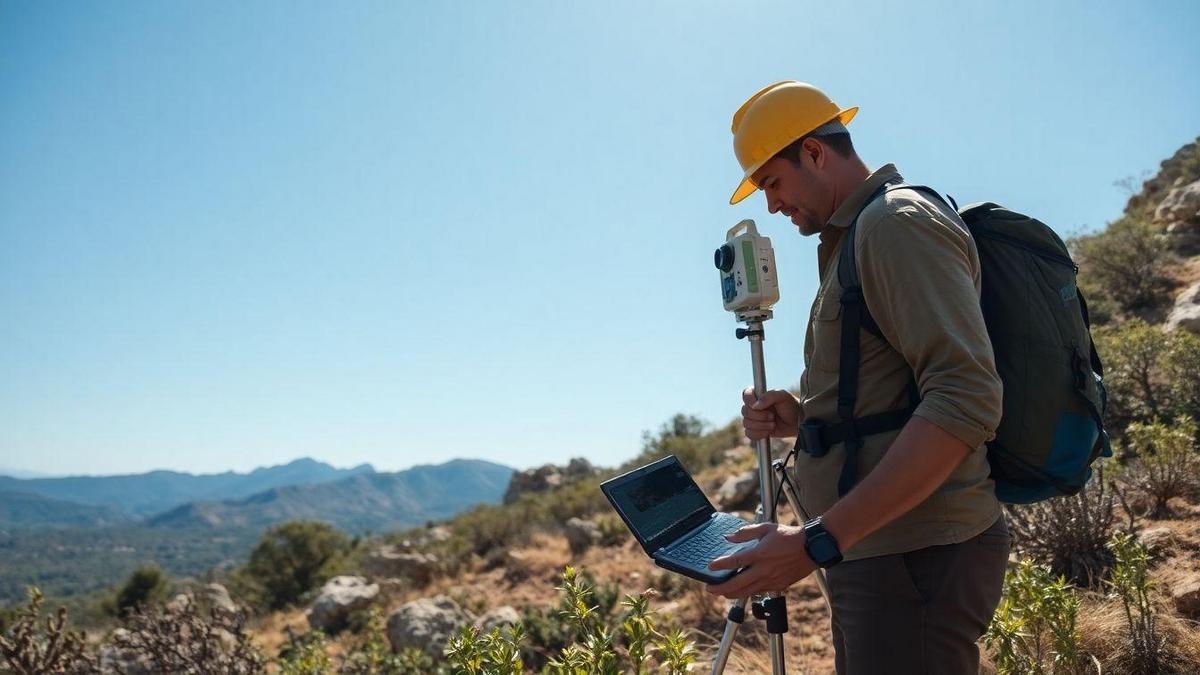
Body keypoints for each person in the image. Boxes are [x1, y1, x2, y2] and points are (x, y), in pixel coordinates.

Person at [705, 81, 1011, 674]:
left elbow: (965, 395)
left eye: (771, 182)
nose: (770, 205)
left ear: (815, 153)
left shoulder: (895, 225)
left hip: (914, 553)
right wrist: (806, 417)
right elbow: (897, 386)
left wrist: (818, 540)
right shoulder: (858, 235)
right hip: (878, 550)